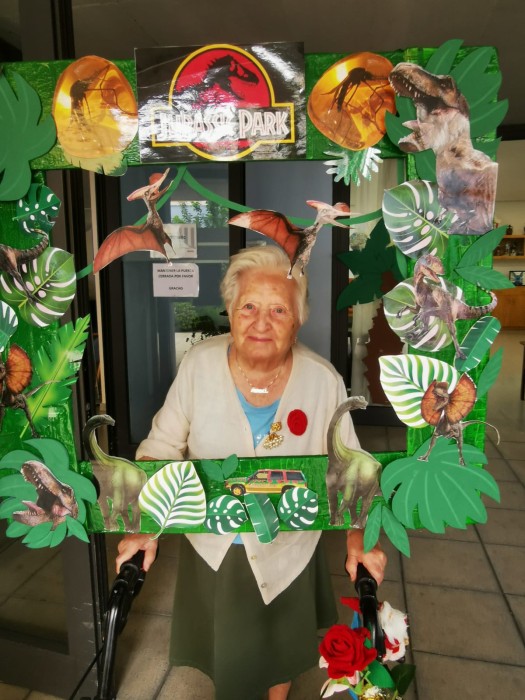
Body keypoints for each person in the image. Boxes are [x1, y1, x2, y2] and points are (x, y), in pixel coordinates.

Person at [116, 245, 387, 700]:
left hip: (290, 547)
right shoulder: (199, 366)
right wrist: (145, 526)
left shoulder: (323, 380)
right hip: (214, 546)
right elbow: (160, 449)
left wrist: (359, 539)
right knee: (229, 656)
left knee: (280, 652)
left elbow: (350, 468)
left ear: (298, 320)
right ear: (230, 311)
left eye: (279, 309)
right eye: (248, 307)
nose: (261, 322)